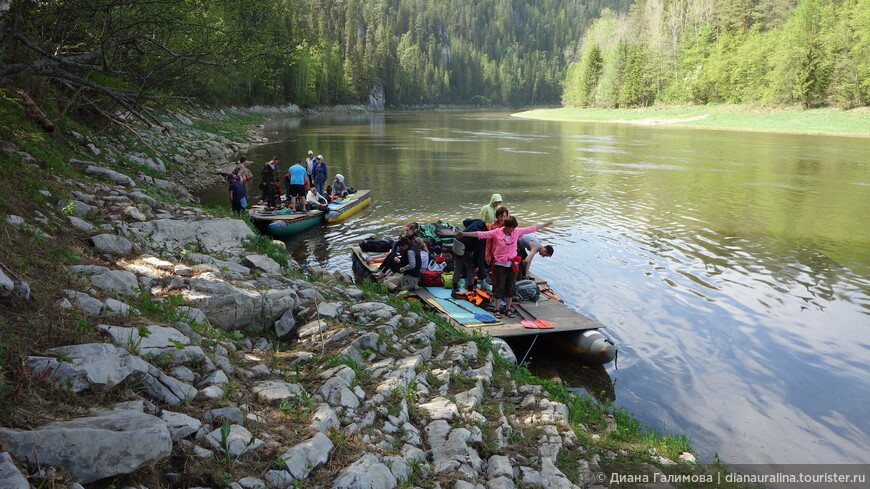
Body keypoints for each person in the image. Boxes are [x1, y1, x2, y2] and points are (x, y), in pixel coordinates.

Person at [455, 217, 553, 319]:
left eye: (513, 228)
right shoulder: (497, 232)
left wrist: (545, 225)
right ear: (506, 226)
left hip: (513, 264)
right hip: (500, 264)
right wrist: (463, 234)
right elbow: (480, 234)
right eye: (510, 228)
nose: (512, 230)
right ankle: (497, 310)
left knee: (510, 287)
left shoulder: (516, 232)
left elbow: (532, 228)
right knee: (499, 287)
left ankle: (508, 309)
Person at [451, 218, 488, 293]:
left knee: (457, 267)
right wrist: (476, 266)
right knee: (470, 269)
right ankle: (470, 289)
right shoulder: (483, 236)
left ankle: (455, 288)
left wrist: (469, 228)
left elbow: (465, 221)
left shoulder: (478, 221)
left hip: (457, 243)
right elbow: (477, 252)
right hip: (466, 248)